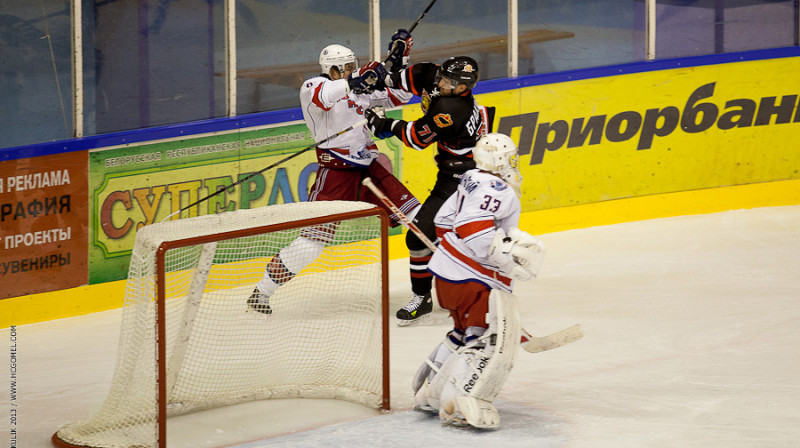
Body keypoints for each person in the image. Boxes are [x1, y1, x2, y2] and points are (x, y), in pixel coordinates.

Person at [247, 43, 420, 314]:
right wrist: (357, 78)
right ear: (332, 69)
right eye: (346, 67)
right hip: (335, 174)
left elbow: (400, 96)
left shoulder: (360, 89)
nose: (352, 71)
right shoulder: (313, 86)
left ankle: (434, 287)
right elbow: (324, 97)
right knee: (314, 241)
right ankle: (262, 292)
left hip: (370, 169)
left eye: (354, 65)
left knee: (419, 218)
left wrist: (398, 62)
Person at [410, 133, 546, 429]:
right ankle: (455, 405)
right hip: (474, 280)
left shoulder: (470, 177)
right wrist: (506, 259)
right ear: (499, 160)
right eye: (510, 155)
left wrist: (454, 251)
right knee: (480, 341)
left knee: (460, 333)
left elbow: (444, 221)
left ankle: (429, 396)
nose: (514, 160)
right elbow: (473, 228)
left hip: (448, 275)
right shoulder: (499, 189)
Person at [364, 47, 496, 326]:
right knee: (432, 238)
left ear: (463, 88)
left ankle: (445, 295)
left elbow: (416, 139)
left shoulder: (453, 110)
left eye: (448, 82)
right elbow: (412, 76)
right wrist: (382, 77)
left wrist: (382, 124)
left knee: (421, 237)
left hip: (466, 181)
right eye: (442, 77)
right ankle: (434, 291)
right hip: (452, 176)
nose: (440, 83)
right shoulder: (441, 79)